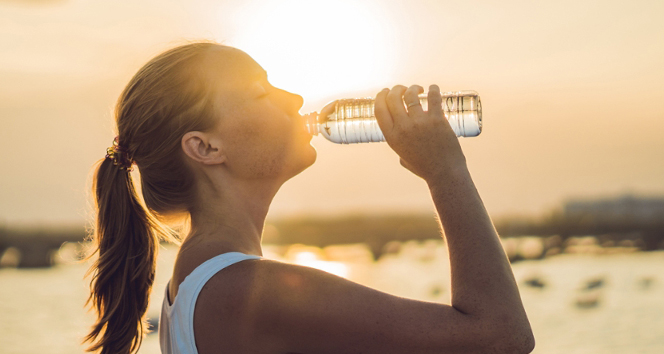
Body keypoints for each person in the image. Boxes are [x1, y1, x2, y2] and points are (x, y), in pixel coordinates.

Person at [83, 42, 535, 354]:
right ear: (205, 148)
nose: (294, 97)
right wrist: (445, 171)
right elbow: (500, 337)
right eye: (262, 92)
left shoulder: (196, 283)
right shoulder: (243, 290)